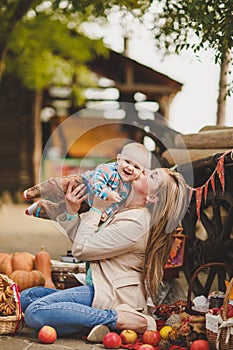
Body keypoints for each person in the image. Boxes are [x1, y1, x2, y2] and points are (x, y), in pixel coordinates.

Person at [20, 167, 188, 340]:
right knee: (27, 297)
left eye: (152, 176)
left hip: (115, 296)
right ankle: (88, 323)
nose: (143, 170)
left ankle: (119, 319)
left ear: (152, 197)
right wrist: (71, 211)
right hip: (99, 288)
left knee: (35, 312)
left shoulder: (137, 224)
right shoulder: (126, 208)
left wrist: (97, 210)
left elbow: (82, 249)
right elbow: (86, 240)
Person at [24, 142, 151, 220]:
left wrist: (106, 213)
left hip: (88, 203)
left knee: (61, 211)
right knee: (56, 186)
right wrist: (107, 193)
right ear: (118, 159)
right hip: (82, 184)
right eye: (127, 162)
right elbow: (96, 182)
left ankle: (39, 208)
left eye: (136, 167)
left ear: (142, 172)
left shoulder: (128, 189)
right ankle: (34, 191)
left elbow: (117, 205)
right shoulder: (108, 169)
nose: (130, 168)